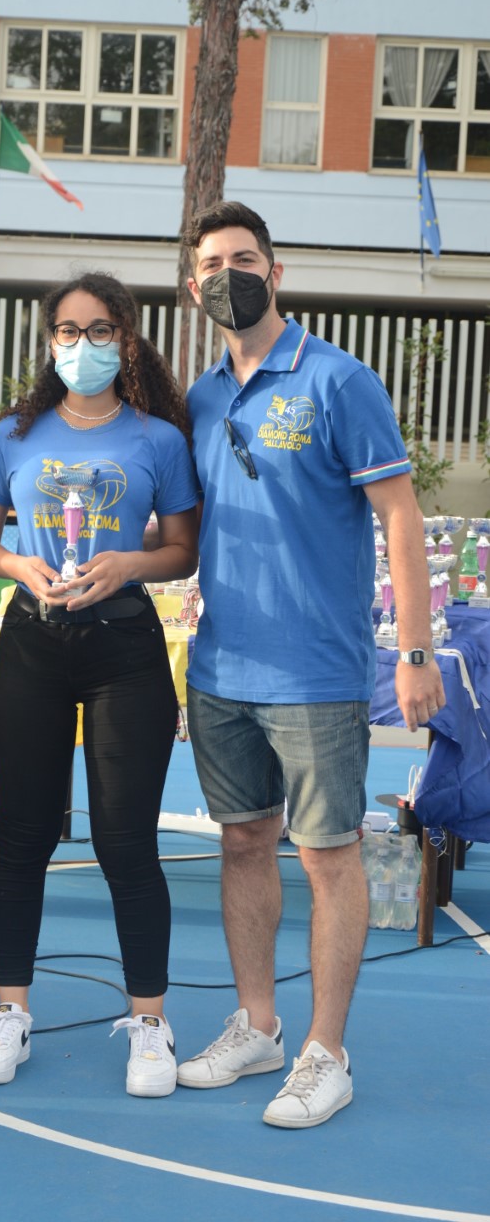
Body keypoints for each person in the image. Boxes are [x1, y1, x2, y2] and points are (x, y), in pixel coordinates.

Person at [176, 201, 446, 1128]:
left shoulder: (338, 379)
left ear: (275, 272)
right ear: (193, 286)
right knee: (243, 843)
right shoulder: (202, 396)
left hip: (317, 675)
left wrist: (412, 649)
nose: (229, 276)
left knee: (327, 857)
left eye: (244, 260)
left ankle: (326, 1053)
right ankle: (258, 1025)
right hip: (220, 670)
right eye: (212, 265)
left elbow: (400, 517)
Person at [0, 272, 199, 1097]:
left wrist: (129, 563)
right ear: (49, 339)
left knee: (124, 844)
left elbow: (182, 549)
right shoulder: (13, 434)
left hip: (125, 647)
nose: (82, 344)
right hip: (31, 643)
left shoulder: (158, 439)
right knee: (22, 836)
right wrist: (16, 566)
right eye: (67, 330)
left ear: (125, 340)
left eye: (99, 331)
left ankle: (150, 1023)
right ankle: (9, 1012)